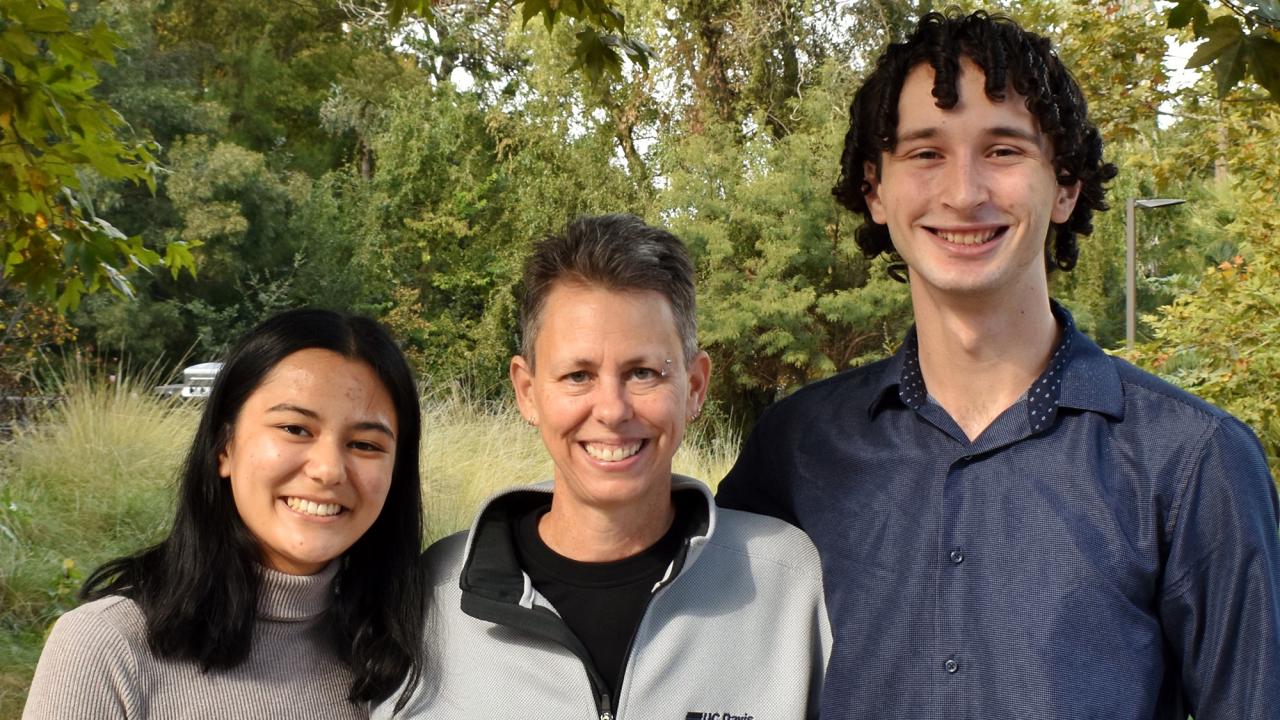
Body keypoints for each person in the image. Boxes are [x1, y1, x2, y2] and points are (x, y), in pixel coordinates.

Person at [717, 10, 1280, 719]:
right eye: (925, 153)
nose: (964, 192)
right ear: (875, 190)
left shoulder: (1195, 461)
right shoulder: (795, 450)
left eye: (1004, 151)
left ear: (1066, 186)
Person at [381, 214, 829, 719]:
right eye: (578, 375)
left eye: (642, 373)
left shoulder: (791, 584)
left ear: (695, 387)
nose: (612, 410)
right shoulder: (429, 597)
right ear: (527, 392)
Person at [23, 309, 427, 719]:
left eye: (365, 445)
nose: (328, 470)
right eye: (295, 429)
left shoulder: (404, 657)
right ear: (224, 446)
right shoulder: (108, 646)